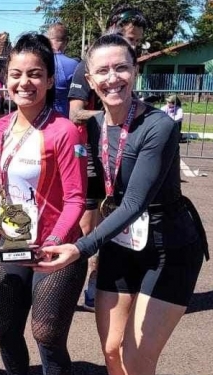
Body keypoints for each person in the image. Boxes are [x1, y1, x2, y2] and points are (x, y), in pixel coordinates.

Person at [38, 34, 209, 375]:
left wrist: (80, 247)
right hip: (120, 244)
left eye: (121, 68)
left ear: (135, 71)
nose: (112, 77)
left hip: (169, 247)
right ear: (90, 79)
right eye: (103, 70)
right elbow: (83, 192)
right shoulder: (89, 127)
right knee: (112, 348)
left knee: (137, 356)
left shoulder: (159, 126)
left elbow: (134, 201)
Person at [0, 32, 87, 375]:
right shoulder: (1, 126)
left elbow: (78, 198)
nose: (24, 82)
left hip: (56, 251)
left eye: (35, 74)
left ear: (48, 81)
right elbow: (0, 189)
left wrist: (55, 242)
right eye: (16, 74)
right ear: (5, 79)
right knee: (4, 325)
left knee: (46, 333)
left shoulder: (64, 131)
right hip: (11, 245)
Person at [68, 5, 148, 311]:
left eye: (137, 43)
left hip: (121, 158)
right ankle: (70, 286)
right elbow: (75, 113)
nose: (132, 46)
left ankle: (98, 285)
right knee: (88, 228)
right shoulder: (88, 65)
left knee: (116, 223)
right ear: (113, 27)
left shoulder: (128, 65)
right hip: (90, 157)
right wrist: (111, 116)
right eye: (128, 38)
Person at [46, 23, 78, 117]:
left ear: (48, 39)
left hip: (40, 114)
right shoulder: (74, 64)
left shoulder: (40, 61)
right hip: (64, 114)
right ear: (66, 41)